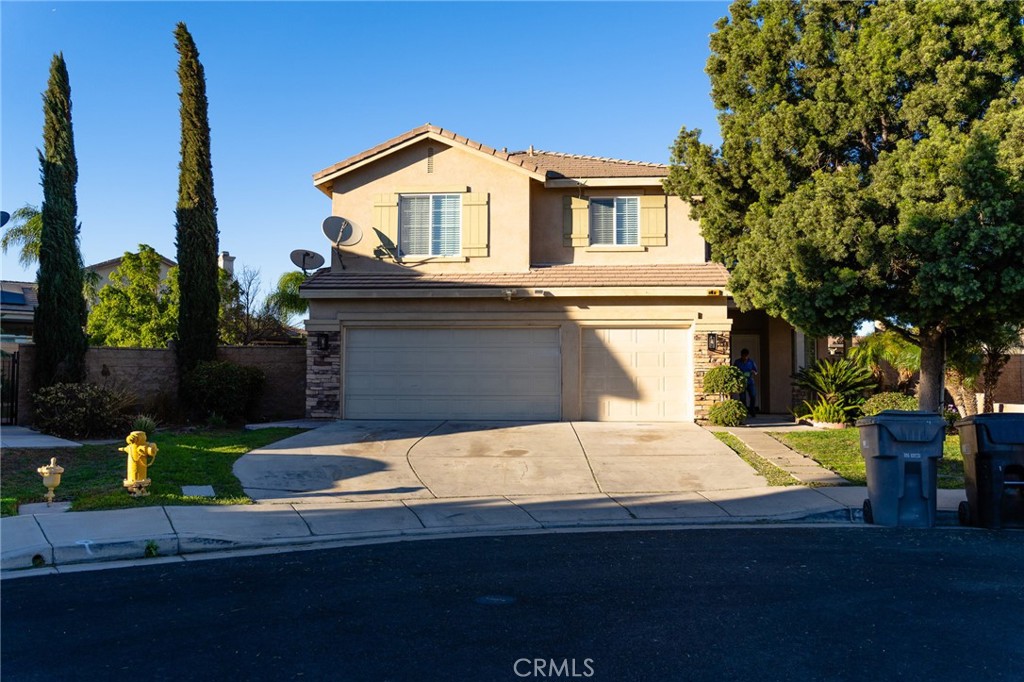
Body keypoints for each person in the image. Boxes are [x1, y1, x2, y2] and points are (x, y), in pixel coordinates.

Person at [733, 348, 759, 416]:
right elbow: (733, 370)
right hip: (741, 382)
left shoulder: (751, 362)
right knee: (742, 398)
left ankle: (752, 409)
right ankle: (744, 411)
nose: (745, 357)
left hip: (750, 381)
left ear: (748, 355)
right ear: (741, 355)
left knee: (753, 396)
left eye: (746, 356)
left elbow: (756, 371)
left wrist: (753, 372)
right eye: (743, 356)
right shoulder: (737, 362)